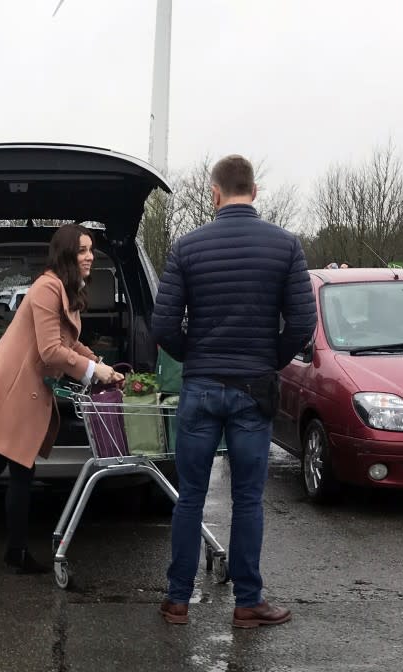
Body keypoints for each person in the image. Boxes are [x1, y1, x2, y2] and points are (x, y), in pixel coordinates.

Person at [151, 155, 317, 627]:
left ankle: (177, 600)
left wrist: (194, 357)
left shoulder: (187, 247)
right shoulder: (285, 246)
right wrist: (269, 360)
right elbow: (303, 322)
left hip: (201, 388)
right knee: (247, 499)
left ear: (214, 193)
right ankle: (248, 602)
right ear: (256, 191)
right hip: (253, 389)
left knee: (190, 497)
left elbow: (163, 325)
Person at [0, 223, 124, 573]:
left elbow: (69, 343)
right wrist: (94, 373)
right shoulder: (47, 289)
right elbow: (51, 351)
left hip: (19, 387)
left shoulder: (66, 289)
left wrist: (99, 364)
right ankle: (14, 552)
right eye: (81, 250)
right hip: (14, 389)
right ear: (66, 254)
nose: (90, 256)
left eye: (91, 249)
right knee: (20, 469)